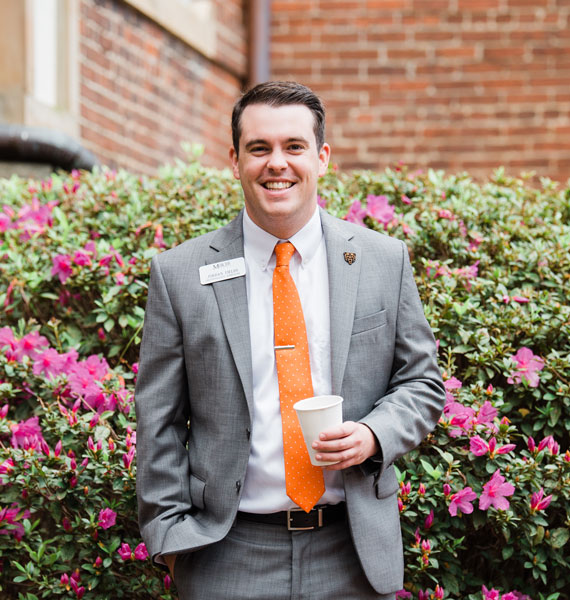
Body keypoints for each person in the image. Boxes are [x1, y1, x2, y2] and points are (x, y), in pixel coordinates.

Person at [135, 81, 445, 600]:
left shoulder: (382, 260)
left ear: (322, 157)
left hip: (352, 551)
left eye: (294, 147)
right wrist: (170, 535)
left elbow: (422, 381)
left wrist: (373, 435)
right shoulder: (181, 274)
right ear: (235, 161)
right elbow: (159, 418)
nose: (276, 163)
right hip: (226, 556)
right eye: (260, 148)